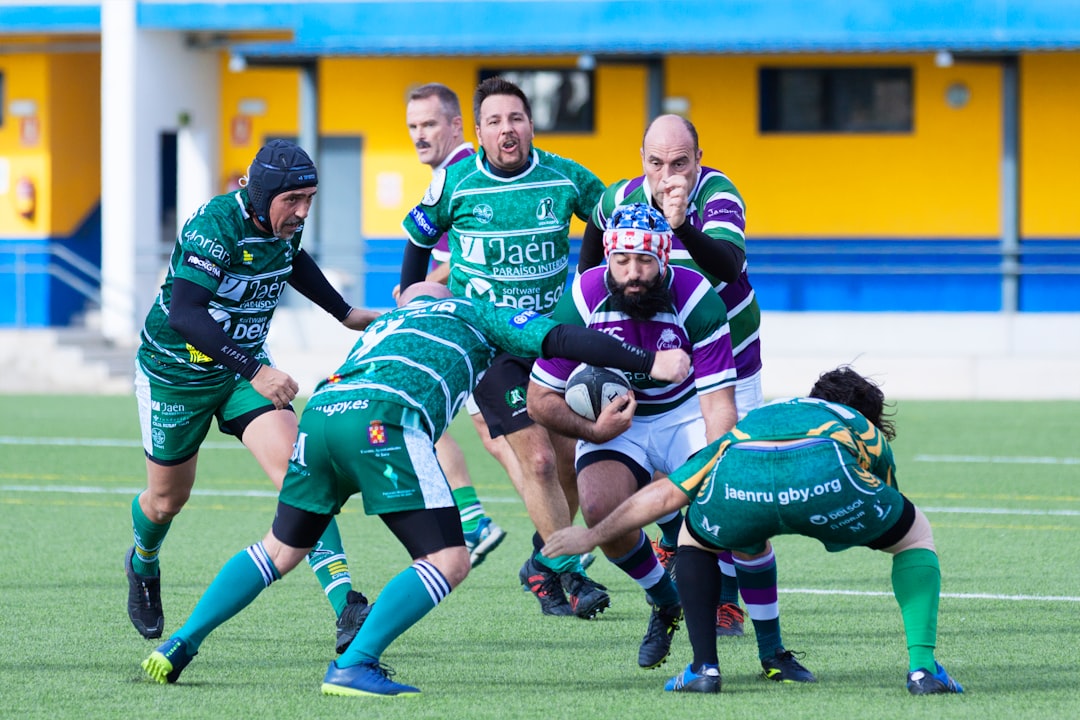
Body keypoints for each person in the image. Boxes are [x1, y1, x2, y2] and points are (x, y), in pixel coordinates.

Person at [141, 281, 691, 696]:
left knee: (279, 549)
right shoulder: (474, 311)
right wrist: (650, 363)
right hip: (384, 420)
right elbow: (561, 337)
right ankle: (356, 664)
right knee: (449, 559)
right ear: (446, 297)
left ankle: (180, 643)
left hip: (322, 414)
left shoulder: (386, 324)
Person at [542, 367, 965, 697]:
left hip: (742, 474)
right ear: (867, 412)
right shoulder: (859, 424)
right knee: (915, 537)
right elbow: (886, 492)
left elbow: (667, 494)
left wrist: (593, 534)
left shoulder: (760, 418)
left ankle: (703, 669)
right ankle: (923, 670)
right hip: (827, 474)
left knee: (694, 537)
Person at [128, 139, 380, 654]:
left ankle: (347, 607)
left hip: (241, 373)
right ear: (261, 192)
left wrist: (345, 313)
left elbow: (294, 258)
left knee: (302, 472)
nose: (303, 210)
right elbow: (186, 314)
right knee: (165, 501)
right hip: (176, 374)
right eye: (293, 200)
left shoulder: (283, 221)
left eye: (310, 197)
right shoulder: (214, 226)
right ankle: (143, 562)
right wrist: (257, 369)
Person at [400, 76, 610, 618]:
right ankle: (571, 576)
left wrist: (589, 273)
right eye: (494, 121)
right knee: (536, 460)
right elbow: (418, 241)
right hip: (489, 345)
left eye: (515, 118)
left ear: (530, 124)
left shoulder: (563, 176)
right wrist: (412, 300)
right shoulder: (455, 183)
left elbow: (609, 216)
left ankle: (542, 564)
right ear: (478, 131)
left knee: (570, 464)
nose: (506, 129)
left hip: (552, 341)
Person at [528, 203, 739, 671]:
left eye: (645, 261)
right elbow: (540, 398)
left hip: (683, 413)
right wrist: (594, 430)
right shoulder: (584, 296)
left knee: (728, 498)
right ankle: (665, 602)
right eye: (622, 261)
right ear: (608, 257)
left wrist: (714, 468)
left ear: (665, 257)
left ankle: (770, 644)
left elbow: (719, 406)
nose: (633, 273)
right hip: (616, 422)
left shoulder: (695, 296)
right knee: (604, 511)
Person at [581, 114, 765, 639]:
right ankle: (671, 546)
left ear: (699, 160)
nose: (668, 176)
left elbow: (729, 264)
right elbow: (595, 224)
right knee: (652, 467)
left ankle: (726, 599)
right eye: (657, 163)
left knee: (733, 481)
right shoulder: (622, 198)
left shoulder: (718, 194)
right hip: (657, 360)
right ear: (642, 162)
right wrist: (590, 285)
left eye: (680, 163)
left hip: (730, 353)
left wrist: (681, 224)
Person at [404, 81, 508, 567]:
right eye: (412, 127)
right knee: (497, 435)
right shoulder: (454, 171)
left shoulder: (464, 170)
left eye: (428, 124)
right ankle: (557, 542)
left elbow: (470, 257)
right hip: (473, 323)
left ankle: (480, 523)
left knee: (416, 409)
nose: (419, 135)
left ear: (456, 125)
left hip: (474, 325)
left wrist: (421, 289)